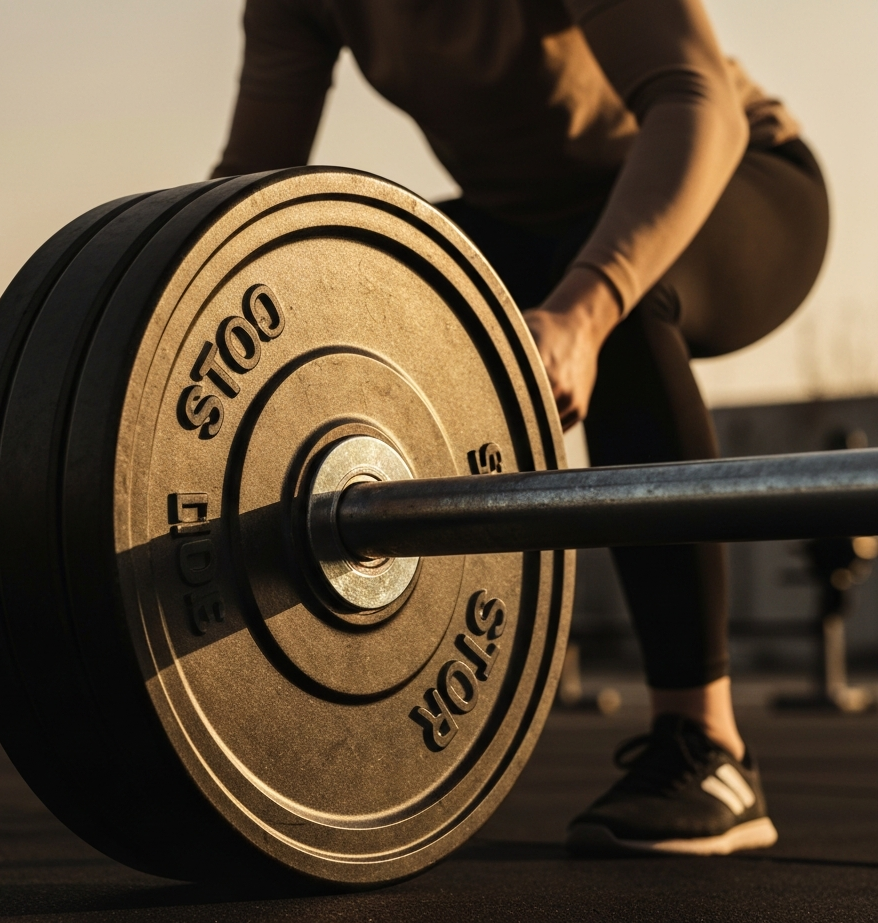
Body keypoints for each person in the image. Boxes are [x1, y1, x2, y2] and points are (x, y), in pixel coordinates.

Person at [213, 0, 829, 855]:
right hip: (528, 221)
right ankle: (344, 700)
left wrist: (585, 311)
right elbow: (247, 189)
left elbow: (696, 102)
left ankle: (710, 745)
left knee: (626, 315)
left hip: (735, 179)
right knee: (375, 285)